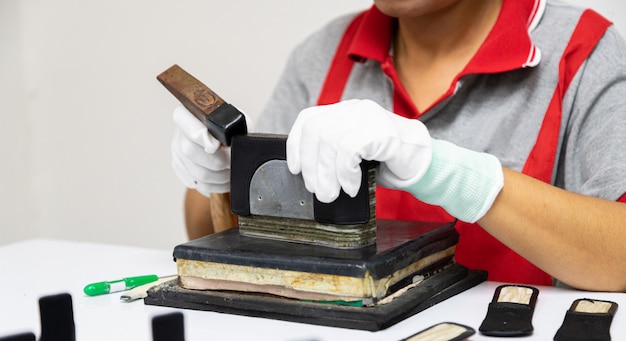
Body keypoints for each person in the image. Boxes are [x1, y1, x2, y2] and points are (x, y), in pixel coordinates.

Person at [170, 0, 626, 291]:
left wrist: (447, 172)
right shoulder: (323, 53)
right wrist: (219, 178)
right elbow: (210, 234)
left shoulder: (581, 50)